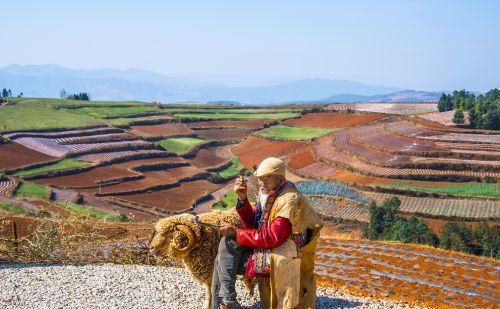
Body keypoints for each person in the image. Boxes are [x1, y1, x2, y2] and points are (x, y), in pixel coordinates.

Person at [211, 157, 323, 309]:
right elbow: (256, 226)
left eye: (267, 177)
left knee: (221, 258)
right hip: (271, 247)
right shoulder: (271, 193)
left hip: (285, 254)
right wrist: (243, 200)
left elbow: (272, 238)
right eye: (260, 178)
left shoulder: (289, 199)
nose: (262, 182)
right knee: (226, 244)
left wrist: (237, 233)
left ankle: (225, 302)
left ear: (280, 177)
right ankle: (227, 301)